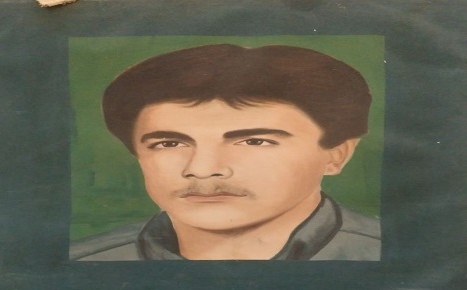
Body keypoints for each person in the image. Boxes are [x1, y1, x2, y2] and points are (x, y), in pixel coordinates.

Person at [70, 44, 380, 261]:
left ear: (336, 155)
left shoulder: (394, 258)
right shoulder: (82, 261)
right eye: (170, 143)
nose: (203, 169)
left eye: (254, 142)